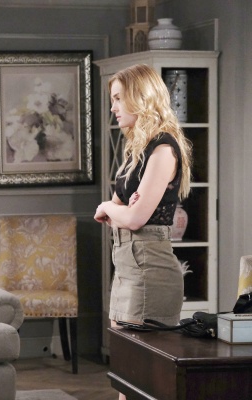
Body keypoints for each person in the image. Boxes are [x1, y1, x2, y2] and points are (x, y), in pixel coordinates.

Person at [94, 64, 192, 397]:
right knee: (125, 376)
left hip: (150, 271)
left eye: (118, 98)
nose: (113, 107)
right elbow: (116, 211)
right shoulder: (136, 150)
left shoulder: (163, 150)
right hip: (127, 268)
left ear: (141, 96)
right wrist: (120, 209)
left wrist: (116, 210)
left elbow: (131, 218)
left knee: (141, 380)